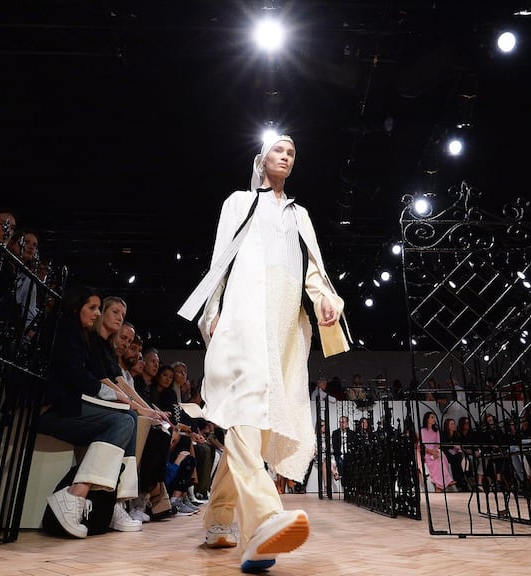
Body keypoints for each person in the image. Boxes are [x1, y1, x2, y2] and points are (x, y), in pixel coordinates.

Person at [178, 135, 347, 573]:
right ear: (261, 159)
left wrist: (326, 297)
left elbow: (314, 267)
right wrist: (212, 311)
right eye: (278, 149)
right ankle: (264, 524)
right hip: (245, 311)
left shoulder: (300, 214)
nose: (286, 155)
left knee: (253, 419)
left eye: (292, 152)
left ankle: (218, 520)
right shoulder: (237, 201)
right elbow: (221, 257)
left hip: (285, 323)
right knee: (248, 410)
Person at [38, 286, 140, 538]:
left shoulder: (80, 335)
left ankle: (115, 502)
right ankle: (75, 495)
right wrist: (112, 394)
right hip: (52, 409)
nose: (96, 313)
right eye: (92, 308)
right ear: (76, 307)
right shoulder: (65, 330)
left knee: (128, 418)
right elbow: (76, 375)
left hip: (66, 405)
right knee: (125, 421)